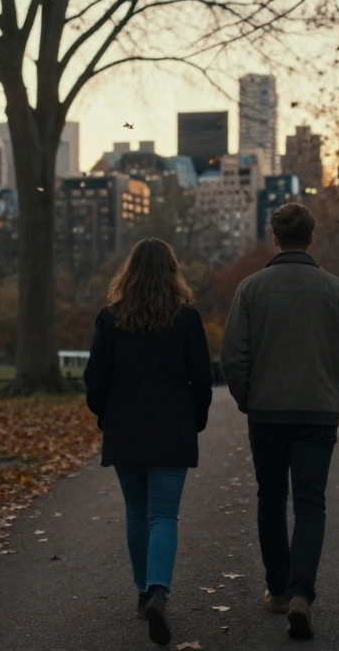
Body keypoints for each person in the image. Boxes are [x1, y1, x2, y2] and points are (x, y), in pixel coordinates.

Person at [221, 203, 339, 641]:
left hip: (267, 411)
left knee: (270, 497)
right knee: (310, 503)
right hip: (318, 412)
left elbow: (233, 356)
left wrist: (249, 399)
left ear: (275, 238)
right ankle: (302, 594)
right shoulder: (336, 291)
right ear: (312, 238)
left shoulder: (251, 289)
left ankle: (279, 590)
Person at [83, 238, 213, 646]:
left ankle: (144, 593)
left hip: (125, 427)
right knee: (163, 515)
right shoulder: (187, 319)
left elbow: (95, 380)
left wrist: (105, 416)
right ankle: (158, 589)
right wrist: (196, 420)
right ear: (172, 273)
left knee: (137, 513)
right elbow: (203, 380)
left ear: (130, 273)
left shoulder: (110, 318)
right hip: (172, 426)